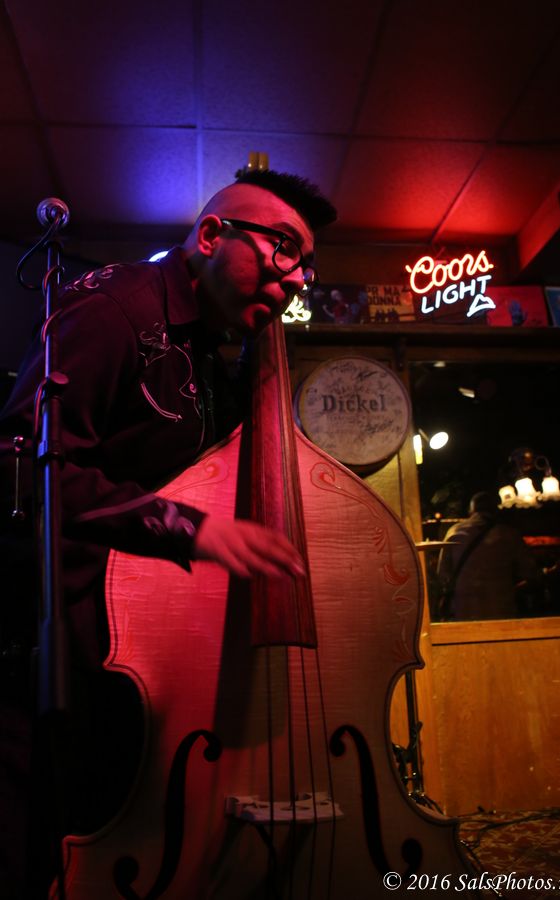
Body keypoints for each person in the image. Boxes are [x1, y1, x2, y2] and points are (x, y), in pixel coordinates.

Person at [0, 169, 337, 898]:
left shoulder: (217, 352)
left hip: (134, 648)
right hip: (53, 648)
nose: (294, 279)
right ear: (211, 236)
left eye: (305, 266)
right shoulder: (116, 310)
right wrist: (191, 529)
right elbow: (22, 467)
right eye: (283, 248)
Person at [436, 491, 541, 621]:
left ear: (471, 511)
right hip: (501, 611)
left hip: (463, 610)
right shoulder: (509, 534)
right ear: (495, 510)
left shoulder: (454, 531)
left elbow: (442, 574)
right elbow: (530, 573)